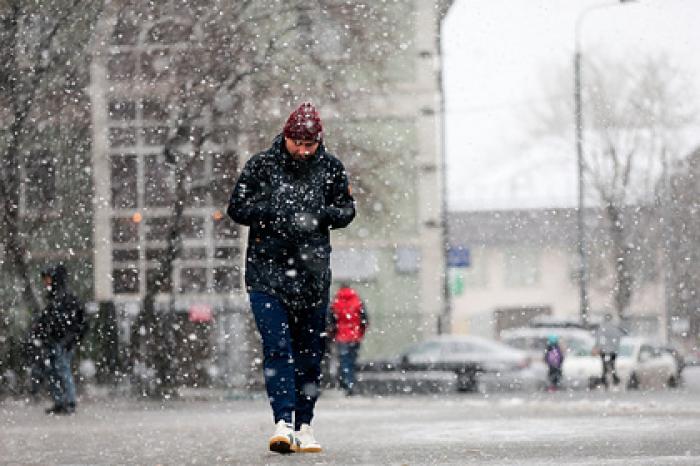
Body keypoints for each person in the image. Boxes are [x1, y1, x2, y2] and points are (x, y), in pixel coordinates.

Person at [227, 102, 355, 454]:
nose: (302, 150)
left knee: (309, 354)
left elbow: (347, 210)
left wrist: (319, 215)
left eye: (309, 145)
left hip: (312, 277)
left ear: (318, 142)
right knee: (277, 348)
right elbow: (236, 208)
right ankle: (282, 422)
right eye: (296, 142)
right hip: (266, 275)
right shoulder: (261, 166)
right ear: (285, 136)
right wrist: (273, 211)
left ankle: (305, 424)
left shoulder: (330, 169)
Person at [35, 264, 88, 415]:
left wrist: (70, 340)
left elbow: (80, 322)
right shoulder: (57, 298)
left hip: (63, 342)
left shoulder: (65, 299)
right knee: (53, 370)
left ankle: (68, 402)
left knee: (62, 369)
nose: (46, 282)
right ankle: (61, 401)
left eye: (48, 279)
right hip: (56, 341)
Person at [328, 285, 368, 395]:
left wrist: (333, 334)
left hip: (342, 336)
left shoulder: (336, 302)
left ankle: (347, 384)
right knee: (352, 361)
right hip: (355, 336)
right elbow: (364, 319)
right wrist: (360, 333)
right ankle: (350, 383)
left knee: (344, 361)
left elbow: (331, 320)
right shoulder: (357, 301)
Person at [594, 313, 625, 389]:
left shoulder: (602, 327)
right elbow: (619, 337)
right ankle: (614, 379)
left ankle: (605, 380)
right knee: (612, 365)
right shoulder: (614, 327)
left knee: (604, 366)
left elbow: (599, 338)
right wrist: (615, 347)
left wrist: (599, 346)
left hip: (604, 350)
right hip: (613, 350)